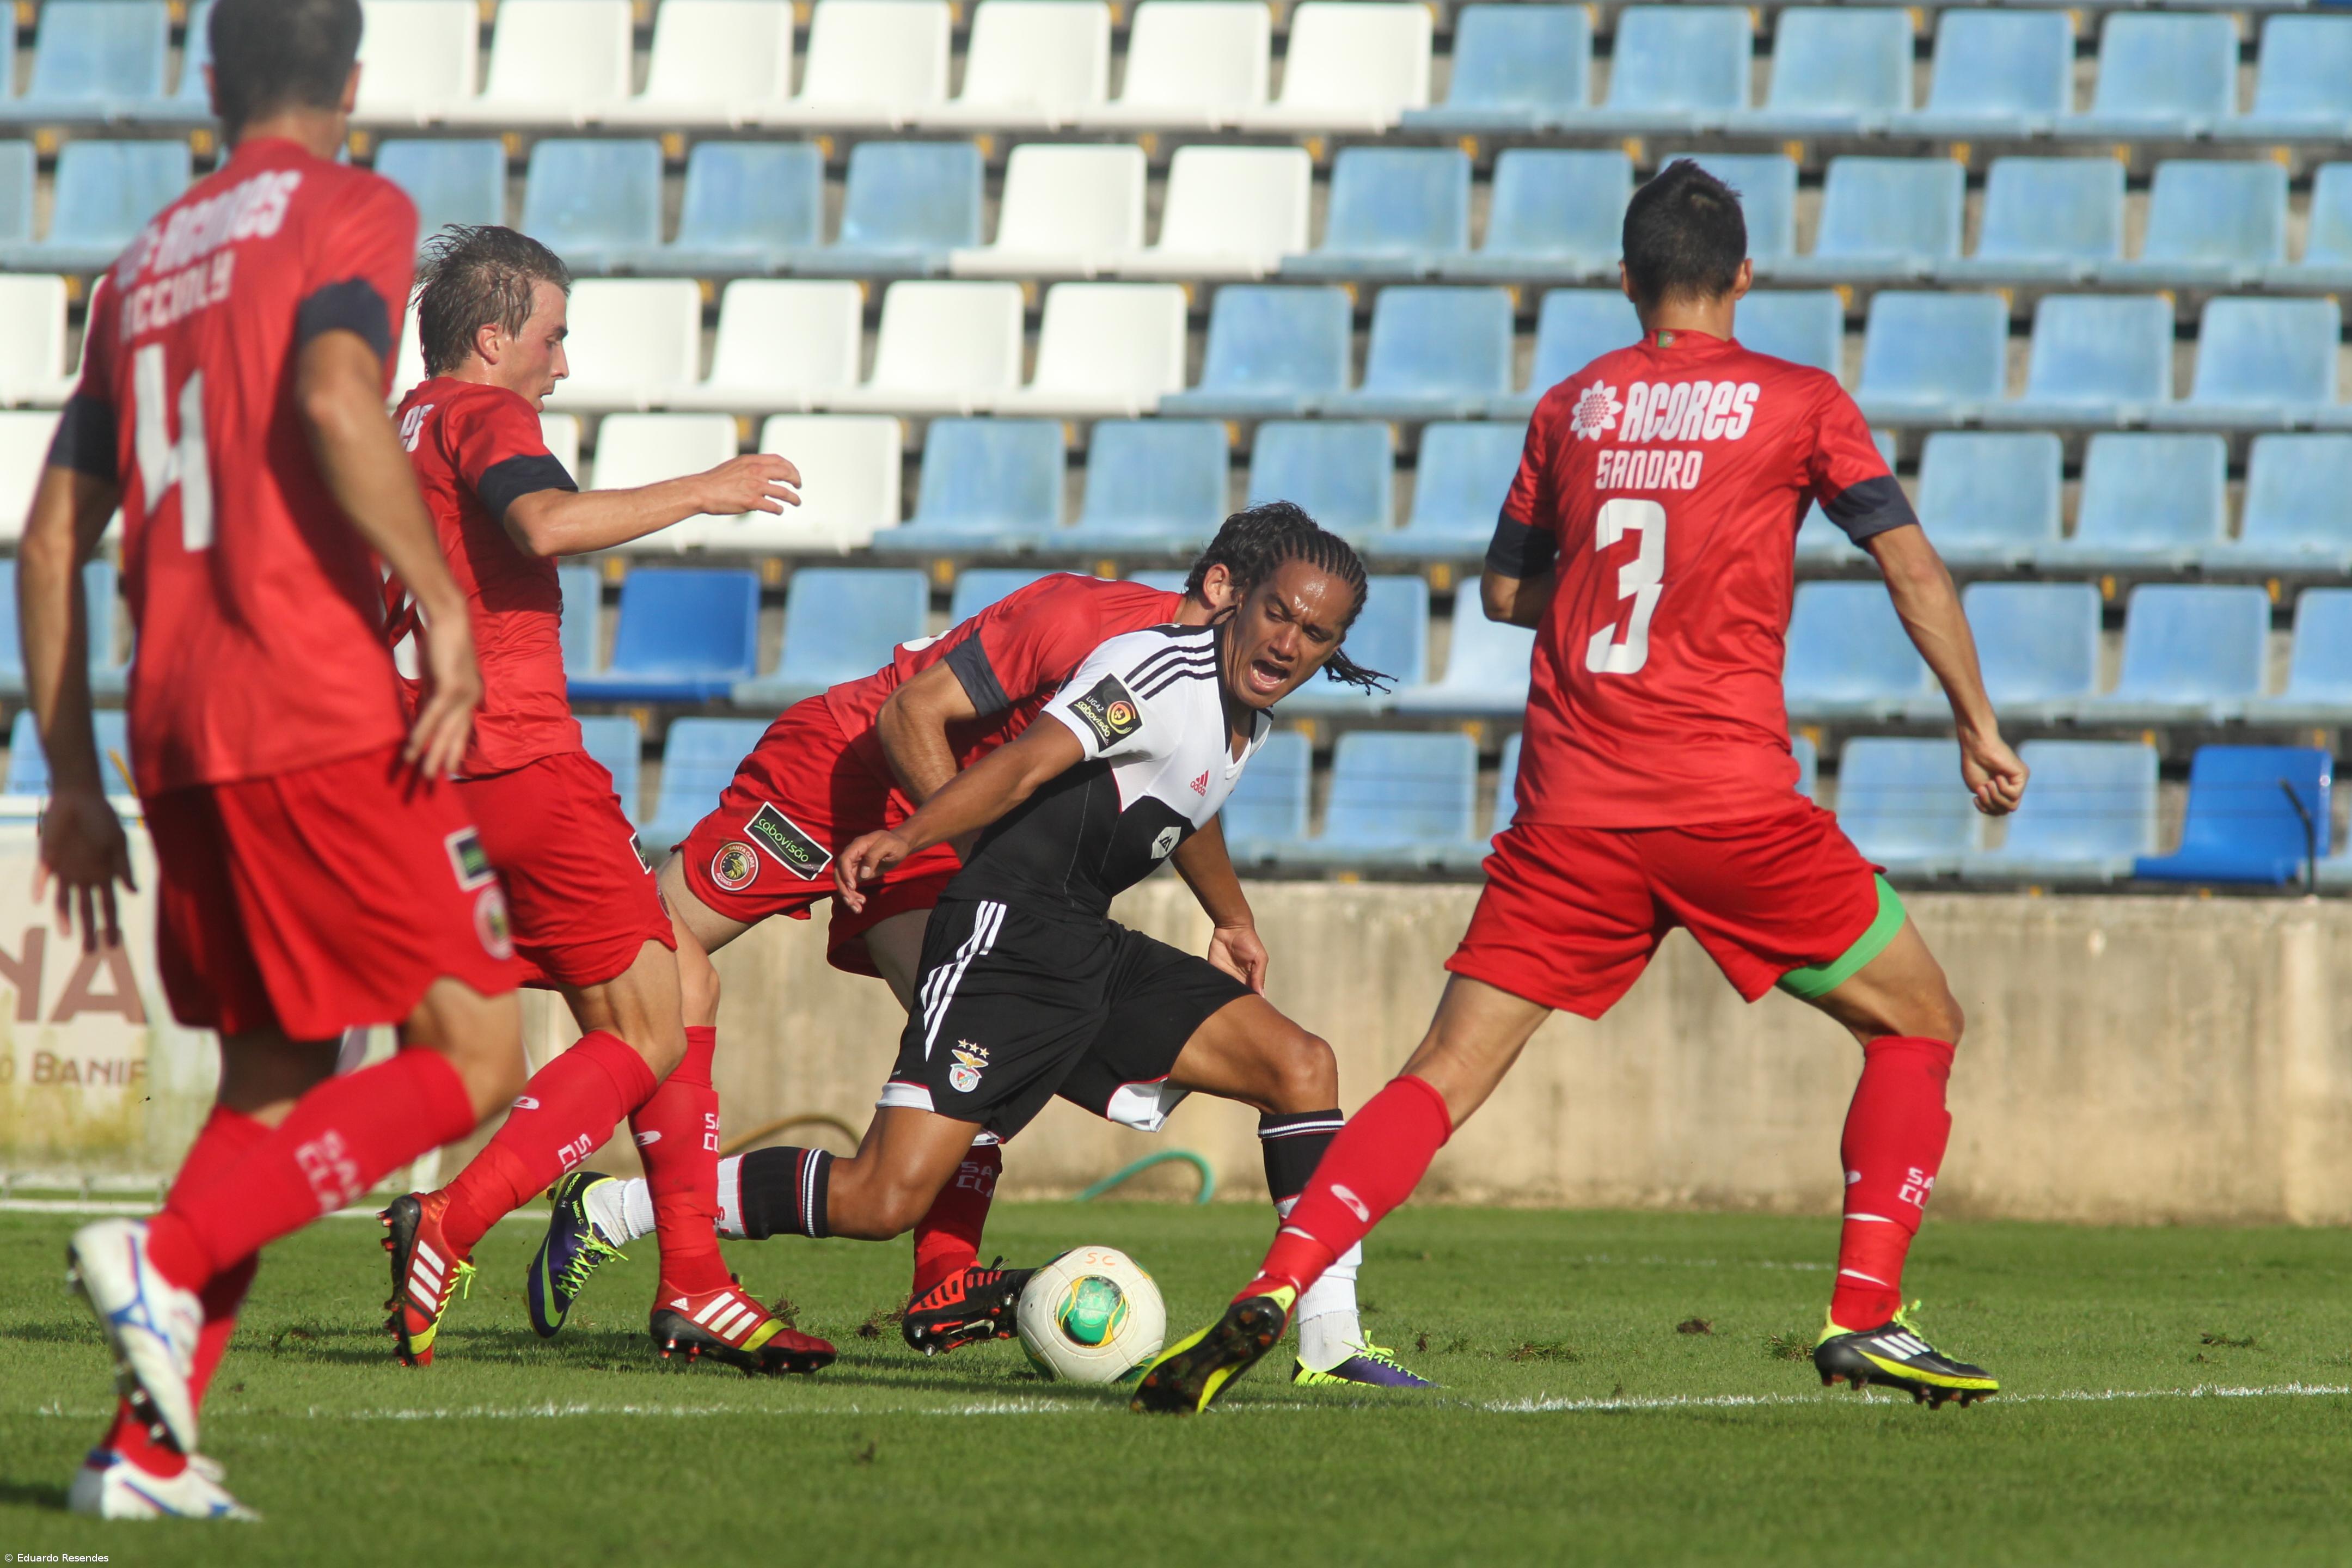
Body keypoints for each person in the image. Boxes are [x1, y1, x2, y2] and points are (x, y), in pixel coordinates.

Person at [1135, 160, 2030, 1417]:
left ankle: (1283, 1285)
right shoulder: (1798, 401)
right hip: (1729, 805)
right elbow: (1914, 570)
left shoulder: (1573, 408)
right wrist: (1976, 724)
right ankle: (1866, 1317)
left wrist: (1606, 592)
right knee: (1918, 1020)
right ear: (1744, 278)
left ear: (1627, 281)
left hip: (1571, 812)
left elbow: (1507, 595)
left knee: (1440, 1073)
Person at [549, 510, 1430, 1386]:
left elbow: (1183, 793)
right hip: (972, 900)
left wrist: (1233, 918)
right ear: (1227, 595)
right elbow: (1022, 763)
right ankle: (619, 1209)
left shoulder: (1242, 709)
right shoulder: (1139, 654)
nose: (1289, 641)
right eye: (1279, 614)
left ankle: (1330, 1338)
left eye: (1316, 633)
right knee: (874, 1191)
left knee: (1301, 1066)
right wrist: (921, 837)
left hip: (1078, 940)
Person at [26, 0, 532, 1518]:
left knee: (275, 1079)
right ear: (353, 83)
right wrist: (442, 606)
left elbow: (54, 535)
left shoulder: (144, 268)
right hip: (310, 707)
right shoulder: (349, 210)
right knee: (474, 1053)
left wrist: (66, 773)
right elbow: (328, 397)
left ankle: (145, 1454)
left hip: (175, 729)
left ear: (209, 81)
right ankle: (161, 1261)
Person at [371, 224, 832, 1376]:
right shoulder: (482, 416)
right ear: (493, 337)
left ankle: (696, 1286)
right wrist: (709, 489)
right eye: (553, 335)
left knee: (680, 979)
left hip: (435, 771)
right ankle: (451, 1222)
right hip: (518, 760)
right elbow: (544, 522)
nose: (562, 363)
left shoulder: (398, 430)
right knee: (649, 1022)